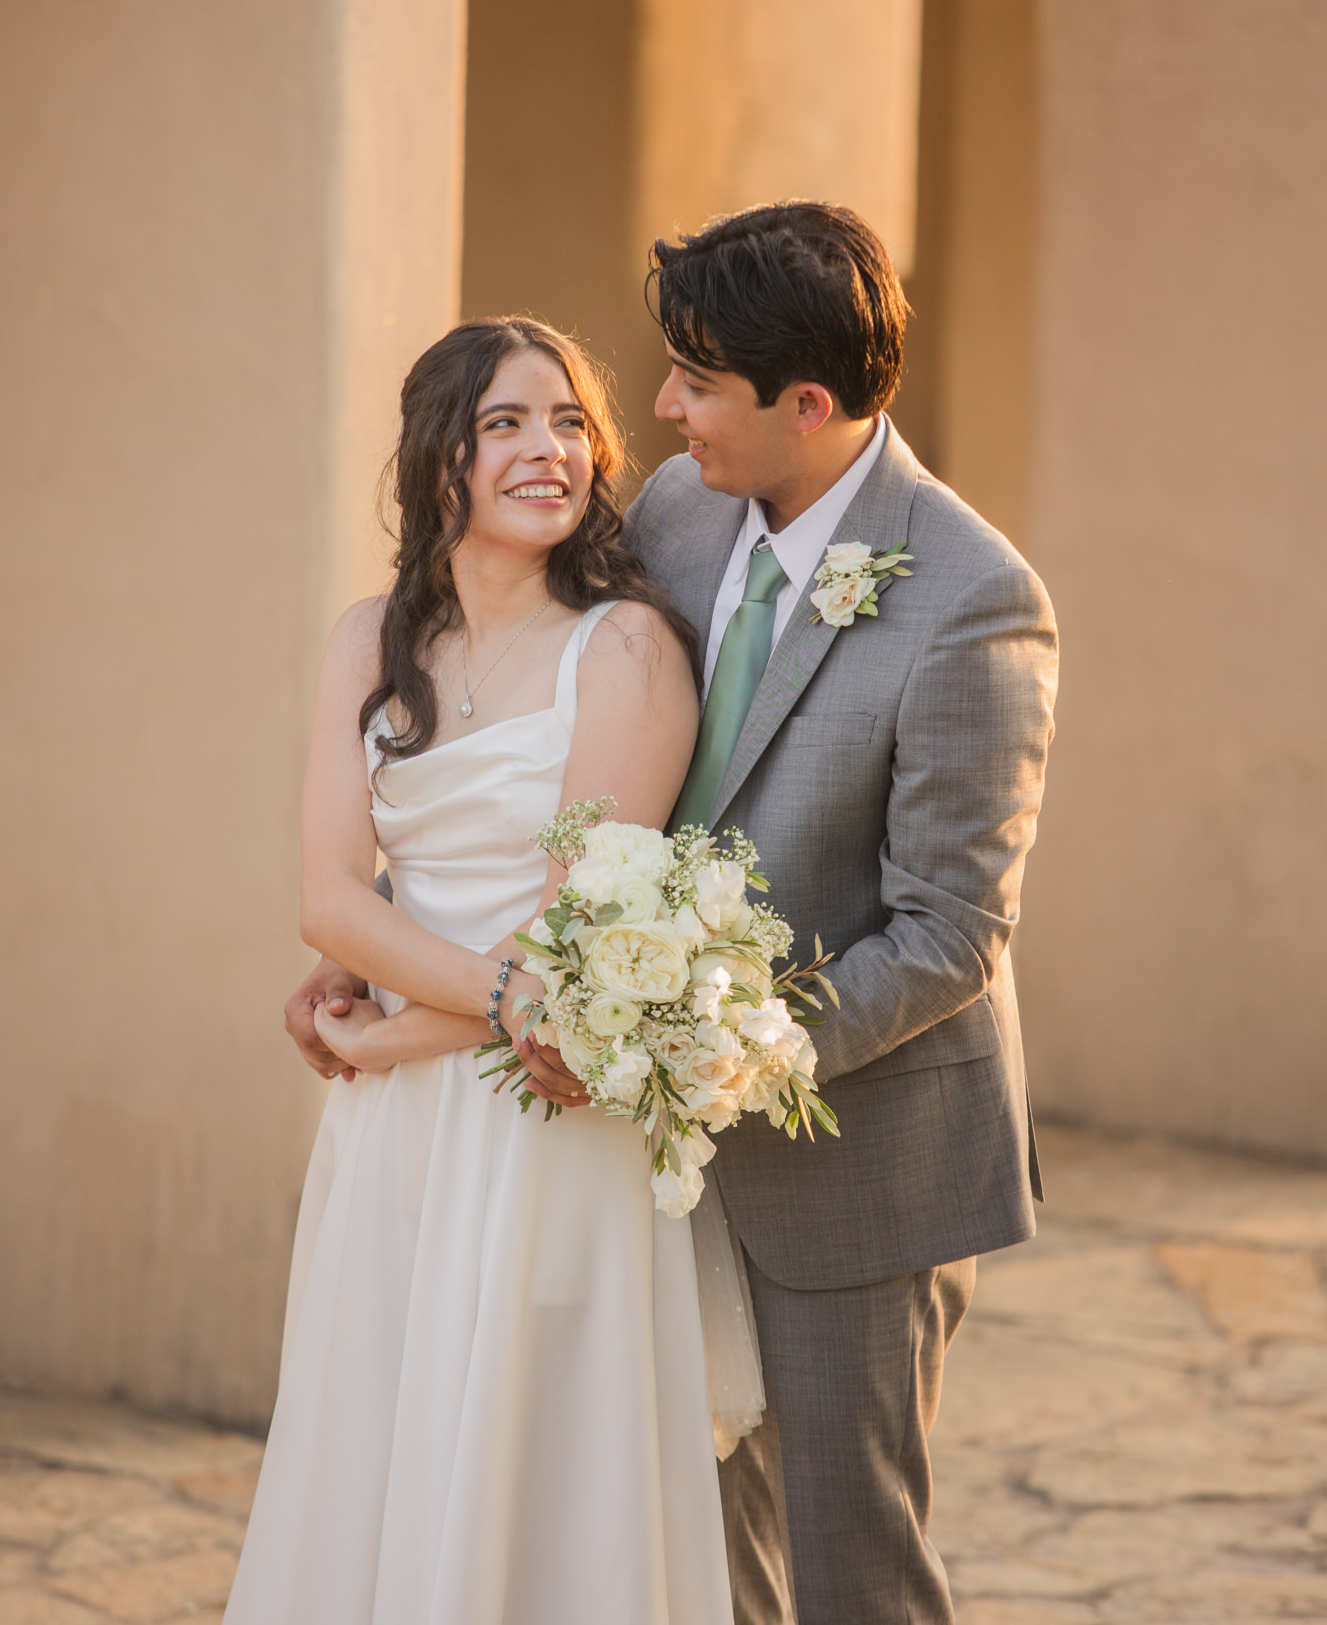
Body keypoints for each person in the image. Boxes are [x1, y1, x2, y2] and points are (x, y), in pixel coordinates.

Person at [287, 200, 1058, 1624]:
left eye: (695, 381)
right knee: (704, 1565)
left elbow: (950, 933)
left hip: (847, 1152)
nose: (656, 410)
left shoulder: (970, 596)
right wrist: (397, 959)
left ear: (805, 402)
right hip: (624, 1142)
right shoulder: (681, 513)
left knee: (848, 1569)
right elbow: (537, 784)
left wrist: (699, 1050)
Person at [228, 318, 732, 1625]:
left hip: (543, 1120)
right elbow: (327, 895)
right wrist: (469, 1007)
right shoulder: (369, 638)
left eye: (568, 422)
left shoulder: (626, 649)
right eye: (505, 422)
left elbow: (576, 944)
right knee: (378, 1443)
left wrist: (402, 1033)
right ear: (436, 456)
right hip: (394, 1137)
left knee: (534, 1463)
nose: (546, 450)